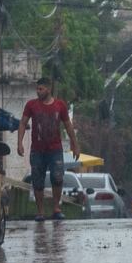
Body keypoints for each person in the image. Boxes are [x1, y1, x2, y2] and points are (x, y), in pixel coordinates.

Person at [18, 76, 78, 222]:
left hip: (55, 149)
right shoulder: (31, 105)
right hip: (37, 150)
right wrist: (19, 143)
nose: (38, 92)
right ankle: (40, 212)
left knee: (57, 177)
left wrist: (74, 144)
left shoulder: (60, 105)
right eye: (37, 89)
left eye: (41, 89)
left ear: (48, 89)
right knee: (37, 180)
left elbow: (68, 125)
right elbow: (22, 123)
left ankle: (56, 208)